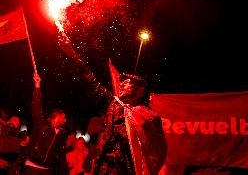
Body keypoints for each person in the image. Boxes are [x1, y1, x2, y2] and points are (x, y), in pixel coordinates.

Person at [59, 34, 167, 175]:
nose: (121, 85)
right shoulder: (113, 105)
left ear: (139, 90)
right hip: (103, 170)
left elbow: (156, 152)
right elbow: (90, 81)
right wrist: (71, 53)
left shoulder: (148, 117)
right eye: (121, 82)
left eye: (126, 83)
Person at [8, 73, 68, 175]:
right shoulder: (42, 124)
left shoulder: (62, 134)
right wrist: (37, 85)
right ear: (58, 115)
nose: (65, 120)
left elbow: (61, 156)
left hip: (46, 171)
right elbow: (36, 105)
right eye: (64, 117)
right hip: (31, 168)